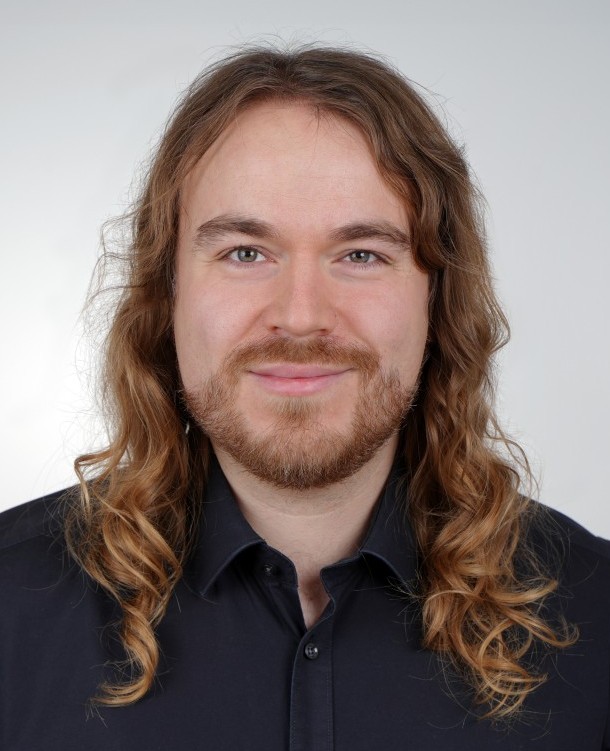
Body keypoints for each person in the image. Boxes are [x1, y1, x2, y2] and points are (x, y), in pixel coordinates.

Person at [1, 44, 609, 750]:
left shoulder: (595, 616)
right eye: (245, 252)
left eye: (361, 255)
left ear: (437, 300)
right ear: (167, 293)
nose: (299, 316)